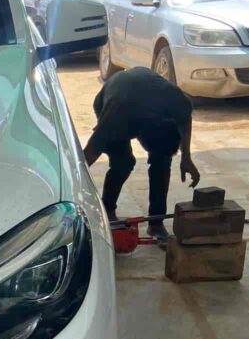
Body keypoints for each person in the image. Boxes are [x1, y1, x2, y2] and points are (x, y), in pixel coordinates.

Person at [83, 67, 201, 240]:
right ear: (145, 136)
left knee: (161, 163)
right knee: (123, 162)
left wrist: (186, 158)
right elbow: (92, 149)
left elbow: (185, 119)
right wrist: (73, 182)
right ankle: (107, 210)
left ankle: (156, 223)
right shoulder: (117, 116)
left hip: (140, 88)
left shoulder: (176, 101)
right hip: (112, 98)